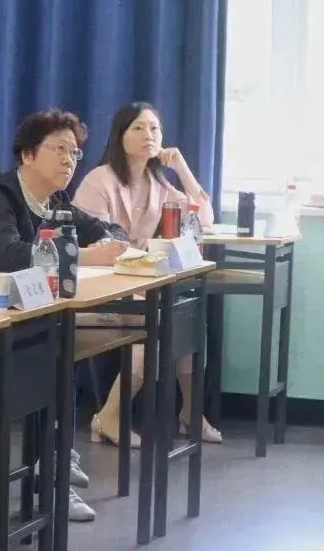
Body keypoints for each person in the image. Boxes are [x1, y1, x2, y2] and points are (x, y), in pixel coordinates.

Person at [0, 108, 129, 523]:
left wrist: (111, 241)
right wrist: (84, 255)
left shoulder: (56, 201)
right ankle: (53, 466)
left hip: (24, 318)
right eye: (59, 149)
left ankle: (55, 460)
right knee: (56, 352)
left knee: (63, 346)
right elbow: (12, 256)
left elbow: (109, 230)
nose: (69, 159)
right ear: (27, 155)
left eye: (75, 152)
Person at [73, 102, 221, 446]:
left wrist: (181, 167)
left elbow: (205, 218)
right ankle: (109, 416)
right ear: (120, 135)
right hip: (98, 284)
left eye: (154, 128)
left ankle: (191, 413)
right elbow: (100, 246)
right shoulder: (99, 180)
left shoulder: (157, 182)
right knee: (160, 321)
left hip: (135, 283)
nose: (148, 135)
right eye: (138, 128)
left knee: (186, 315)